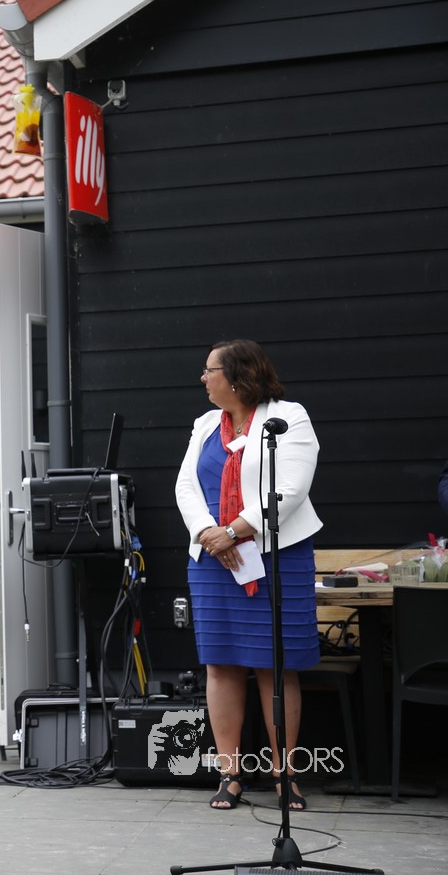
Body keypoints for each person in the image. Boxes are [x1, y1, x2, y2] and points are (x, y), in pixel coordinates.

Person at [174, 339, 322, 812]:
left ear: (237, 376)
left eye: (210, 370)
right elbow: (185, 485)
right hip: (213, 560)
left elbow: (291, 488)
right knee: (220, 664)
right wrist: (208, 533)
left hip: (276, 554)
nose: (203, 378)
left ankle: (285, 775)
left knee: (276, 664)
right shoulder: (204, 424)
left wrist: (234, 532)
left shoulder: (288, 417)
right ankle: (230, 773)